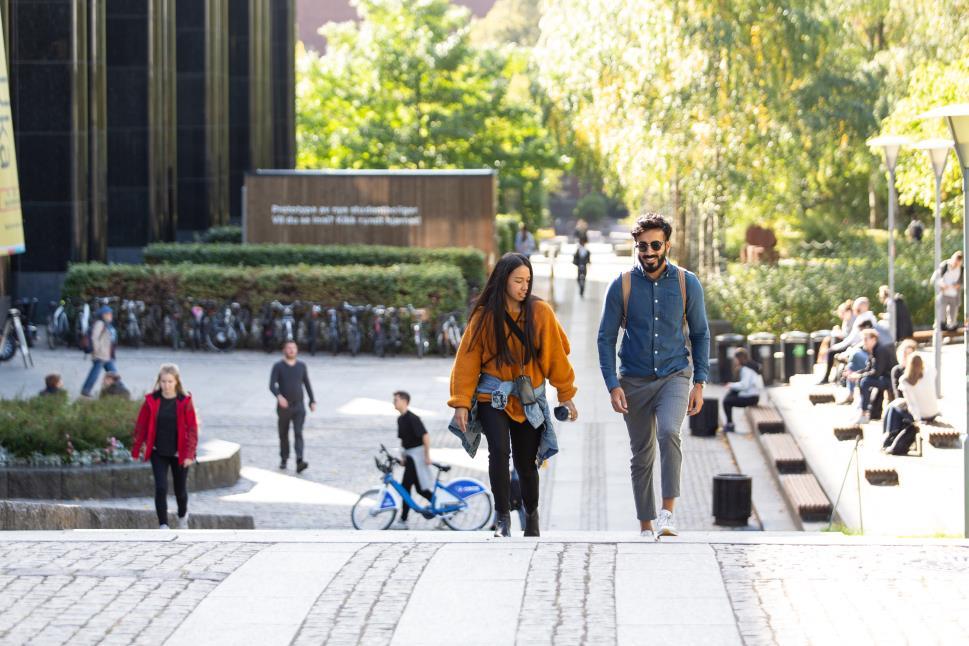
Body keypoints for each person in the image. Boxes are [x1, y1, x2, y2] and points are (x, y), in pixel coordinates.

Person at [597, 212, 710, 539]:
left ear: (667, 245)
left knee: (669, 433)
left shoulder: (688, 283)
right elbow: (605, 338)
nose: (648, 252)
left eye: (655, 245)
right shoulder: (623, 285)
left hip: (674, 375)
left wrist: (699, 382)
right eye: (642, 246)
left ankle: (667, 513)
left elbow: (701, 334)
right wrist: (612, 384)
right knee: (642, 453)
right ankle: (645, 525)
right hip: (633, 380)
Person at [449, 252, 578, 538]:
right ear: (503, 280)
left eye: (528, 281)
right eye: (518, 280)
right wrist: (460, 403)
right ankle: (502, 517)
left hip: (527, 398)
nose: (524, 286)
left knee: (526, 463)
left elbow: (557, 355)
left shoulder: (540, 312)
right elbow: (466, 362)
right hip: (491, 396)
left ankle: (531, 515)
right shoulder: (484, 317)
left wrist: (566, 394)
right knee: (498, 452)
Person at [131, 364, 198, 530]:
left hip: (179, 452)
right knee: (161, 488)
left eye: (170, 381)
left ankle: (183, 516)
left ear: (176, 382)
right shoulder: (151, 401)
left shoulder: (185, 401)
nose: (166, 385)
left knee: (180, 491)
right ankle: (163, 525)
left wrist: (190, 454)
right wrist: (137, 448)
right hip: (158, 451)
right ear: (159, 382)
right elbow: (141, 426)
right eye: (163, 381)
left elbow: (192, 429)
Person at [269, 340, 316, 473]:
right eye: (289, 348)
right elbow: (272, 385)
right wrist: (279, 397)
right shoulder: (278, 366)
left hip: (299, 406)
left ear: (297, 350)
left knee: (298, 432)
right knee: (283, 434)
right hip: (284, 407)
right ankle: (284, 458)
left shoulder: (301, 366)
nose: (291, 350)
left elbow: (306, 384)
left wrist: (312, 400)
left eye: (293, 348)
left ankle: (299, 460)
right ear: (284, 350)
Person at [392, 391, 433, 529]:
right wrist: (403, 457)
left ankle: (403, 520)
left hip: (417, 458)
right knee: (420, 489)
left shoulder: (412, 418)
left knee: (405, 487)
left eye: (396, 400)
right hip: (409, 457)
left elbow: (425, 436)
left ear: (404, 401)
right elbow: (404, 441)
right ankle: (439, 504)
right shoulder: (400, 419)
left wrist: (427, 456)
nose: (394, 402)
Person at [819, 297, 877, 384]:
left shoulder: (862, 319)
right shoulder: (869, 317)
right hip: (859, 346)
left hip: (858, 347)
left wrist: (835, 347)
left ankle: (829, 378)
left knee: (843, 357)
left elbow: (851, 339)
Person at [848, 330, 897, 424]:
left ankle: (864, 413)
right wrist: (854, 373)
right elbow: (868, 368)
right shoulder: (874, 350)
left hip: (890, 380)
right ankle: (863, 409)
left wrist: (859, 375)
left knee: (865, 382)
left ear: (874, 339)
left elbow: (877, 372)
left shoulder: (880, 350)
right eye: (863, 339)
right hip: (884, 378)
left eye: (866, 339)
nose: (864, 342)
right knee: (863, 380)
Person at [721, 349, 764, 433]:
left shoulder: (746, 369)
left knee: (726, 401)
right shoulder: (751, 366)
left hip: (751, 398)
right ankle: (730, 424)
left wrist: (730, 385)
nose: (734, 361)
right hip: (752, 396)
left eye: (735, 359)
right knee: (730, 395)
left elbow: (744, 385)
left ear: (739, 358)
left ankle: (730, 424)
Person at [81, 306, 118, 397]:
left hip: (107, 355)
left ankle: (117, 390)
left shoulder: (107, 325)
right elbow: (94, 338)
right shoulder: (99, 324)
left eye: (110, 313)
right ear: (103, 315)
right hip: (101, 354)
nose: (110, 315)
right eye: (108, 314)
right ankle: (86, 390)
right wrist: (97, 350)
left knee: (113, 373)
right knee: (99, 373)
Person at [897, 355, 939, 423]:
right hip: (933, 412)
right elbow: (931, 367)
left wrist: (918, 419)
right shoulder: (929, 373)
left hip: (921, 416)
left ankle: (893, 431)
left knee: (895, 407)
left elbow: (911, 403)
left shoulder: (905, 380)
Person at [932, 251, 963, 331]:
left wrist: (959, 285)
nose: (955, 265)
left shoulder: (961, 269)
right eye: (955, 263)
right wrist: (942, 285)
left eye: (958, 264)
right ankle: (940, 324)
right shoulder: (944, 265)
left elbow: (963, 282)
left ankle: (952, 325)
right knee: (941, 315)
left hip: (954, 295)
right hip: (943, 294)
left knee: (953, 316)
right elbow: (934, 279)